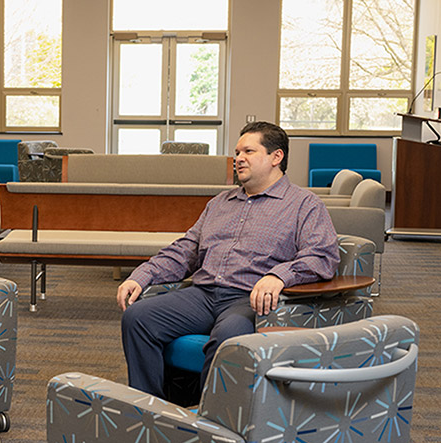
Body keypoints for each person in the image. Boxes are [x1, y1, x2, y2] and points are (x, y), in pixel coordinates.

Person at [117, 121, 340, 402]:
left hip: (249, 300)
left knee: (228, 337)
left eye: (248, 151)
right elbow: (186, 250)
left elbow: (322, 255)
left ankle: (212, 425)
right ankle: (150, 409)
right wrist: (143, 274)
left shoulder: (304, 204)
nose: (238, 159)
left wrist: (278, 276)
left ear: (276, 157)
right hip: (202, 295)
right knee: (138, 318)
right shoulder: (220, 203)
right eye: (237, 152)